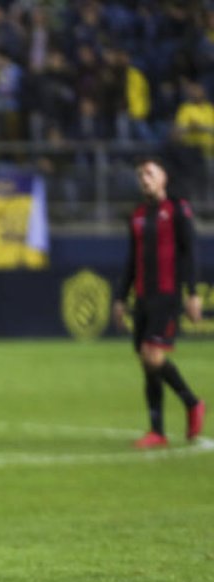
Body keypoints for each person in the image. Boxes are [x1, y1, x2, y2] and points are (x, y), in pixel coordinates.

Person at [111, 157, 205, 448]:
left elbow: (189, 252)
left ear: (164, 177)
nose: (144, 178)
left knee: (154, 356)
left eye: (150, 173)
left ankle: (192, 403)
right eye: (140, 174)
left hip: (166, 294)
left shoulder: (178, 209)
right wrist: (120, 297)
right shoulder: (137, 215)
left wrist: (192, 292)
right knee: (146, 360)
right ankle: (158, 431)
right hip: (143, 296)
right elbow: (132, 259)